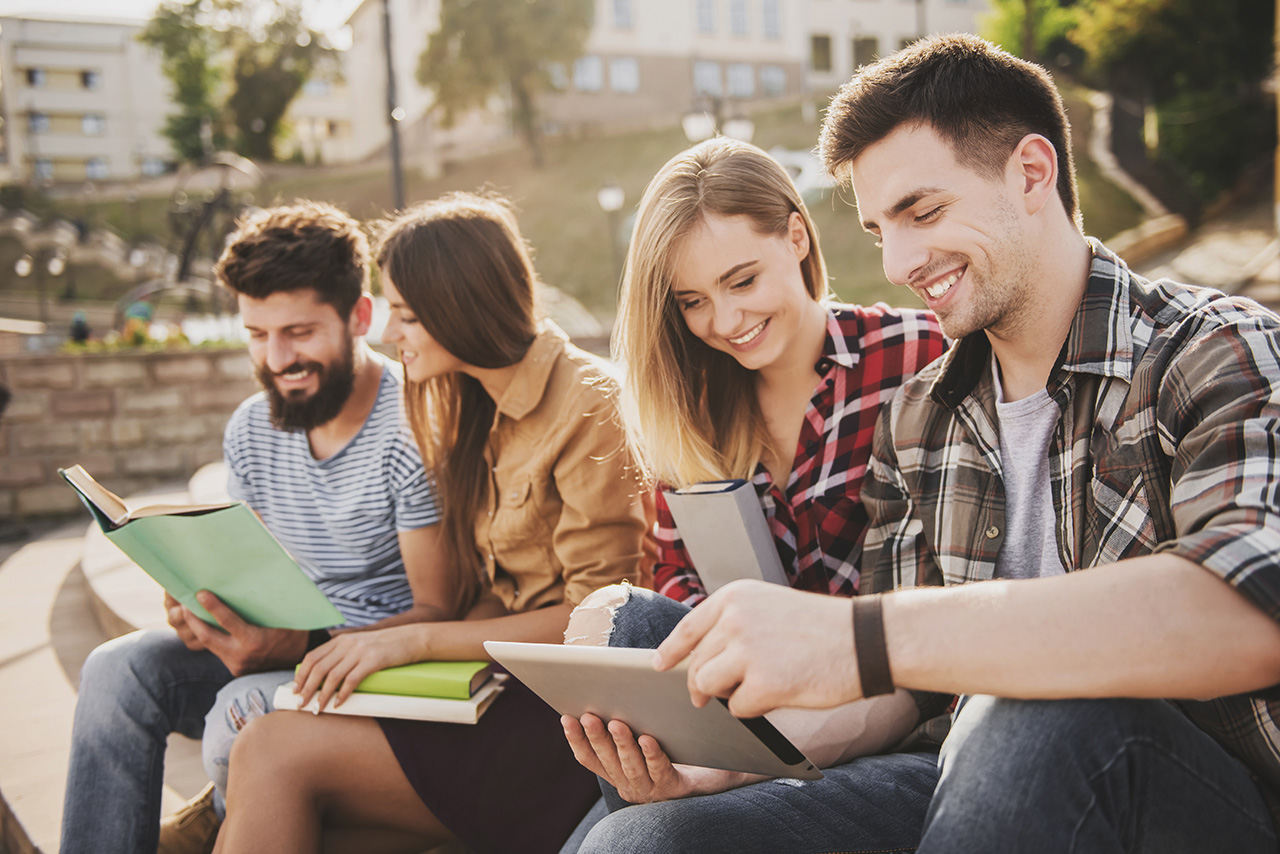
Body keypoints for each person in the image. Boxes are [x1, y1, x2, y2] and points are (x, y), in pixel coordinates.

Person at [645, 33, 1280, 853]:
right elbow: (902, 692)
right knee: (656, 837)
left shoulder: (1217, 350)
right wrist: (738, 764)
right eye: (880, 230)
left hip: (1199, 803)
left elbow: (1251, 610)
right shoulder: (918, 416)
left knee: (1027, 709)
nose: (902, 260)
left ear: (1031, 173)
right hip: (953, 780)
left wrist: (860, 635)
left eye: (924, 211)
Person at [211, 192, 649, 854]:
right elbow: (479, 589)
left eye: (408, 316)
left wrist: (416, 642)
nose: (389, 335)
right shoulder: (460, 403)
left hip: (565, 715)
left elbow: (604, 619)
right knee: (281, 777)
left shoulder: (590, 404)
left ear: (459, 311)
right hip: (488, 685)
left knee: (272, 751)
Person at [560, 138, 948, 853]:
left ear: (796, 236)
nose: (726, 322)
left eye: (742, 281)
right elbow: (679, 590)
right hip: (745, 716)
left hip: (890, 723)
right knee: (621, 626)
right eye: (693, 302)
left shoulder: (915, 355)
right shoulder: (696, 411)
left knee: (620, 843)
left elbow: (934, 620)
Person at [61, 202, 448, 854]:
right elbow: (250, 562)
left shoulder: (412, 424)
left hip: (372, 671)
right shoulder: (251, 428)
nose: (278, 359)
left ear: (359, 317)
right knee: (116, 670)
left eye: (298, 332)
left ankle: (213, 821)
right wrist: (199, 603)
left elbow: (442, 610)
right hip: (281, 649)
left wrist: (302, 641)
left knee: (235, 725)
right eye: (257, 334)